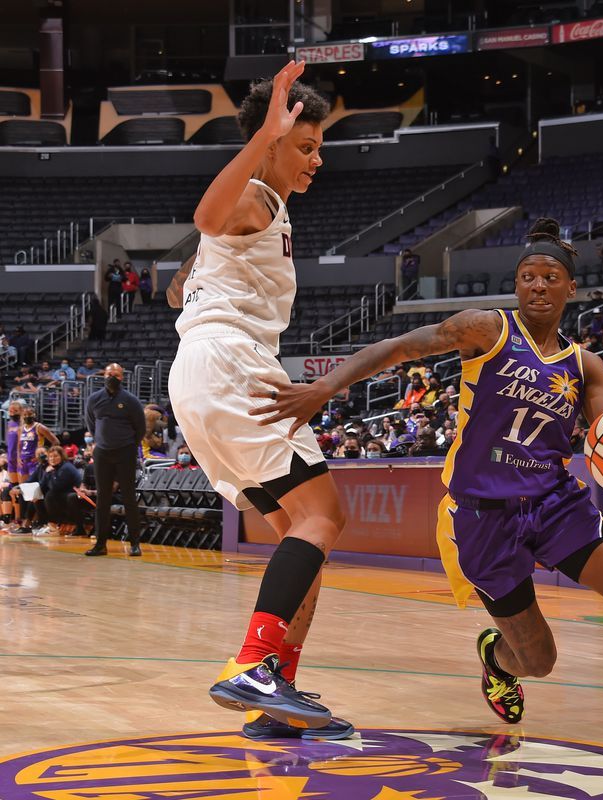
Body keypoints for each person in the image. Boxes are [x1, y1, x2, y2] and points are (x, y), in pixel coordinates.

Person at [253, 218, 603, 761]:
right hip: (482, 516)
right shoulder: (486, 329)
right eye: (528, 277)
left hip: (556, 502)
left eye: (550, 278)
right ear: (517, 284)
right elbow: (402, 347)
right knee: (539, 659)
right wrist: (324, 388)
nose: (538, 286)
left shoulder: (586, 366)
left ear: (571, 288)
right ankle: (497, 660)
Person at [165, 62, 354, 741]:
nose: (316, 158)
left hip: (203, 372)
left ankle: (277, 695)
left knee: (298, 533)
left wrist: (196, 272)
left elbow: (180, 279)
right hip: (231, 365)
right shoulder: (254, 196)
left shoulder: (264, 210)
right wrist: (261, 142)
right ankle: (254, 665)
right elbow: (207, 215)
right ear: (271, 141)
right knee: (324, 515)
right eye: (305, 145)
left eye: (318, 146)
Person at [83, 363, 144, 556]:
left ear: (122, 377)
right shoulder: (94, 399)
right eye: (109, 374)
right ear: (104, 375)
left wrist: (127, 444)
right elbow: (92, 425)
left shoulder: (130, 400)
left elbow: (140, 429)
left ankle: (135, 544)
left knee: (128, 498)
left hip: (125, 451)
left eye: (116, 375)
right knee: (103, 499)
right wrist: (102, 441)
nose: (112, 377)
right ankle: (100, 544)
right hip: (102, 453)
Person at [40, 445, 84, 535]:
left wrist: (49, 473)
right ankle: (43, 524)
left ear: (62, 456)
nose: (53, 459)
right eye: (50, 457)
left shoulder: (66, 467)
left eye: (56, 456)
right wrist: (47, 473)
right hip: (65, 493)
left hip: (76, 494)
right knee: (38, 497)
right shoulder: (53, 468)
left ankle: (54, 525)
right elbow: (42, 485)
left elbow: (55, 487)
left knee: (50, 495)